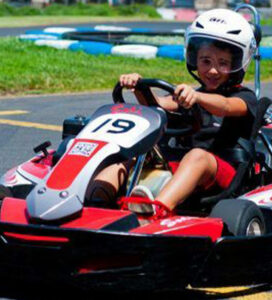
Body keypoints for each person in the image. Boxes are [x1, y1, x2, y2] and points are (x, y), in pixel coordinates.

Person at [87, 8, 258, 220]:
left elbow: (225, 106)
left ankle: (155, 210)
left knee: (197, 157)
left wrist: (197, 98)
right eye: (206, 61)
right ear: (195, 59)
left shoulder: (245, 98)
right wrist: (139, 87)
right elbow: (157, 106)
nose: (213, 70)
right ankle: (93, 204)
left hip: (225, 172)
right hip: (186, 166)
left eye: (222, 63)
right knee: (130, 156)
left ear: (236, 64)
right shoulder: (193, 95)